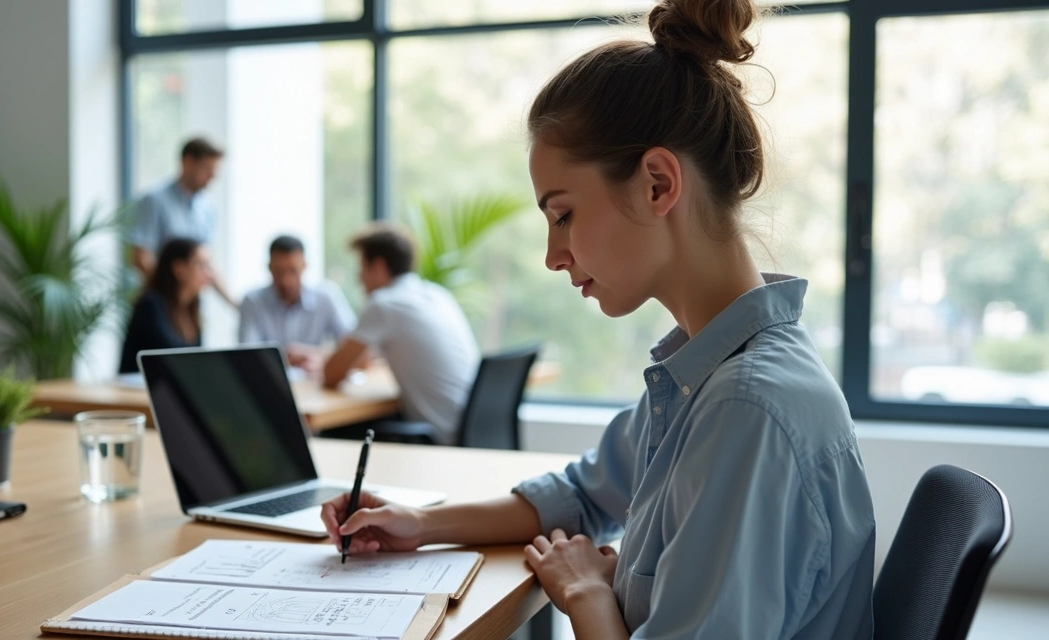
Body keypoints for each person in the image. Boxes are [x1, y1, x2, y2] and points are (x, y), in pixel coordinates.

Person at [321, 1, 876, 638]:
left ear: (658, 185)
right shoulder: (708, 372)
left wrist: (587, 595)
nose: (553, 255)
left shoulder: (745, 410)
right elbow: (582, 495)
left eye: (562, 215)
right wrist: (419, 525)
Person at [322, 225, 479, 445]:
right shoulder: (436, 294)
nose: (359, 279)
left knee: (333, 432)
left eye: (362, 268)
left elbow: (331, 374)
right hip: (469, 428)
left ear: (378, 266)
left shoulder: (384, 303)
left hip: (439, 437)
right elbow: (366, 358)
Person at [127, 137, 233, 305]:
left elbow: (208, 263)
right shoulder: (155, 200)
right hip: (162, 302)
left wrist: (234, 304)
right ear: (188, 162)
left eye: (215, 171)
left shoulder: (207, 209)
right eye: (207, 169)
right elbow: (141, 257)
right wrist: (173, 295)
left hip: (192, 305)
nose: (213, 176)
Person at [238, 235, 357, 371]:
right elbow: (248, 355)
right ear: (269, 267)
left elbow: (354, 347)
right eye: (279, 272)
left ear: (304, 266)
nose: (285, 281)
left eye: (292, 271)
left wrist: (314, 354)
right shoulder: (252, 301)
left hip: (314, 384)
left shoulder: (326, 297)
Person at [118, 238, 213, 373]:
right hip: (137, 389)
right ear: (179, 269)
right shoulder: (151, 305)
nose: (210, 273)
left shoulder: (192, 307)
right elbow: (171, 356)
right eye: (202, 265)